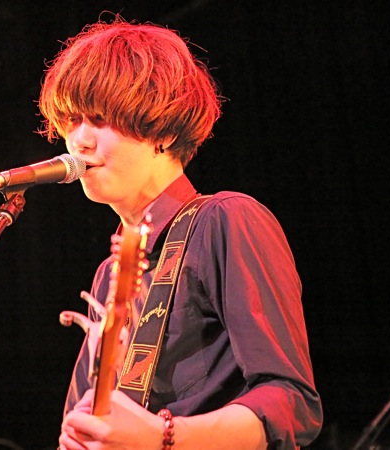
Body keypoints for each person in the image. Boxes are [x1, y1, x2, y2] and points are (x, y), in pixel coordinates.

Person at [38, 14, 323, 450]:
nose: (79, 140)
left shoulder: (226, 221)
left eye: (98, 118)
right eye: (71, 120)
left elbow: (291, 403)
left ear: (166, 132)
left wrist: (164, 436)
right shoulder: (108, 275)